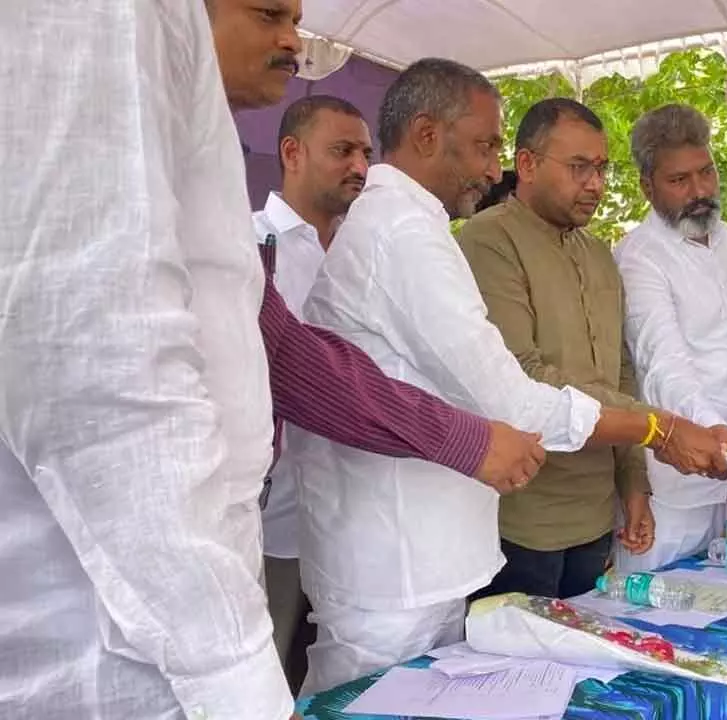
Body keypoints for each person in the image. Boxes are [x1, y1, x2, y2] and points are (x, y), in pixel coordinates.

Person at [293, 62, 724, 694]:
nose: (492, 168)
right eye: (486, 145)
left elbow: (588, 372)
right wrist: (657, 428)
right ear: (426, 134)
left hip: (428, 548)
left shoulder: (416, 226)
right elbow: (507, 393)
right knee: (373, 700)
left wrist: (640, 453)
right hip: (400, 558)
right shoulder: (407, 232)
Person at [0, 3, 295, 718]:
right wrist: (237, 677)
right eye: (268, 11)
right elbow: (90, 358)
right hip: (130, 637)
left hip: (165, 603)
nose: (291, 40)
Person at [207, 2, 543, 499]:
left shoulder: (365, 236)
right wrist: (463, 438)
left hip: (317, 505)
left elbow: (303, 362)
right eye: (268, 15)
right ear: (291, 154)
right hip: (272, 508)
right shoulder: (262, 239)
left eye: (366, 153)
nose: (294, 43)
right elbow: (295, 366)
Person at [459, 98, 727, 594]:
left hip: (595, 516)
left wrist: (633, 485)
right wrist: (661, 429)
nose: (596, 184)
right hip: (522, 517)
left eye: (601, 168)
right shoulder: (488, 241)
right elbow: (524, 377)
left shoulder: (598, 254)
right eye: (579, 167)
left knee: (585, 666)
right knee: (520, 669)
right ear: (527, 163)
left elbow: (619, 374)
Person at [252, 95, 372, 683]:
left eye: (366, 153)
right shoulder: (251, 247)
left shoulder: (368, 251)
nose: (360, 166)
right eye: (342, 150)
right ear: (292, 152)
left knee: (341, 678)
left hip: (358, 515)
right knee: (266, 674)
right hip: (277, 521)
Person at [610, 104, 727, 572]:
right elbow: (661, 360)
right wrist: (711, 429)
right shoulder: (639, 257)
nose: (700, 191)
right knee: (653, 628)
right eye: (679, 181)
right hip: (670, 483)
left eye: (706, 172)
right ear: (647, 187)